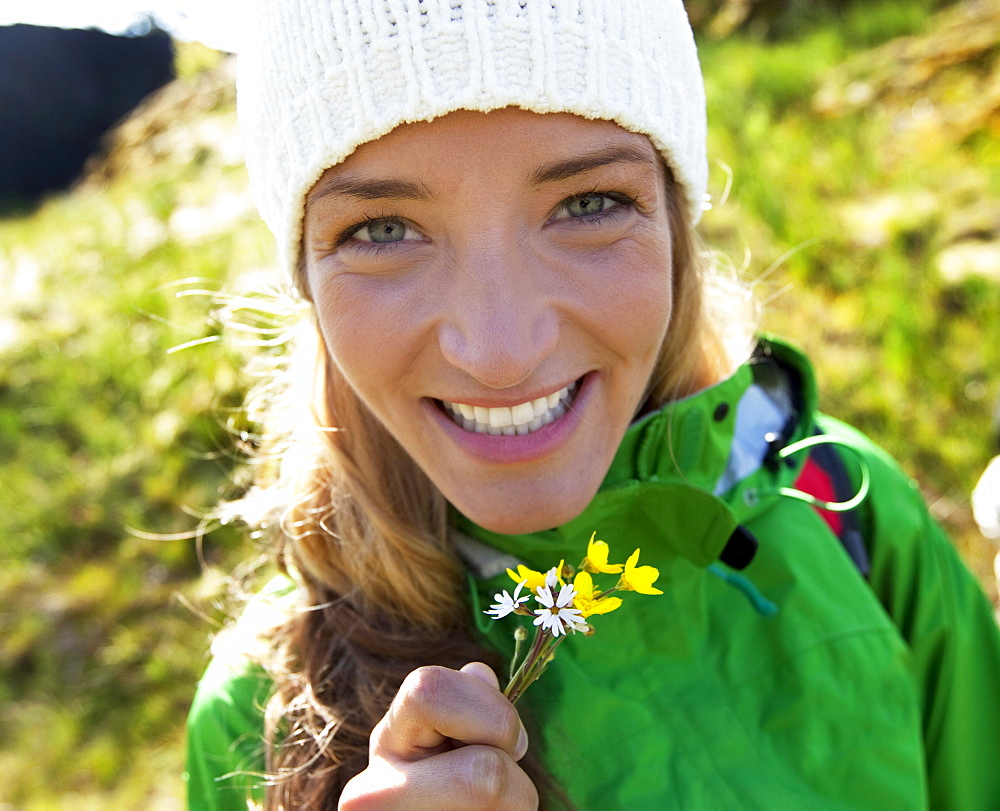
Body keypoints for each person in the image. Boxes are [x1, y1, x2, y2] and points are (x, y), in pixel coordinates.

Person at [185, 0, 1000, 808]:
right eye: (382, 228)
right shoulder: (258, 722)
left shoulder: (849, 508)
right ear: (306, 278)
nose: (501, 351)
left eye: (586, 205)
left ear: (678, 223)